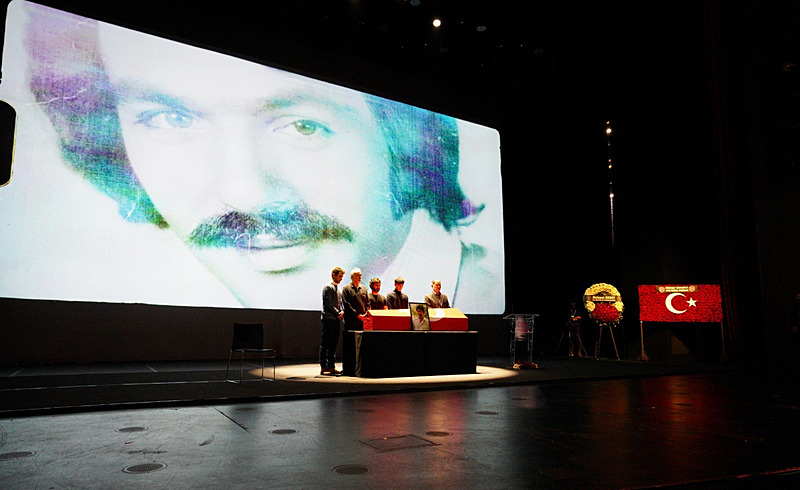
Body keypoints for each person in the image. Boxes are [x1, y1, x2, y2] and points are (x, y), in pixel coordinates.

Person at [5, 2, 504, 314]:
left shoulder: (485, 297)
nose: (245, 193)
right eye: (170, 119)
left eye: (304, 126)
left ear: (410, 145)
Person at [341, 268, 369, 375]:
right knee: (350, 347)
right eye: (357, 275)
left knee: (361, 347)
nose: (360, 277)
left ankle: (360, 369)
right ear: (352, 276)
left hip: (362, 322)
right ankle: (348, 369)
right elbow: (346, 304)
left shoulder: (364, 288)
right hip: (351, 322)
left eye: (360, 275)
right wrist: (357, 315)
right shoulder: (346, 288)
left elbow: (367, 303)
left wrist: (365, 315)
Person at [319, 266, 345, 376]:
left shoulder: (338, 289)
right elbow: (328, 303)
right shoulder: (328, 287)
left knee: (333, 344)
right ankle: (323, 366)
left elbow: (340, 303)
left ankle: (331, 366)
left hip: (336, 320)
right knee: (326, 343)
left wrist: (342, 311)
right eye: (340, 276)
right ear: (333, 275)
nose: (341, 278)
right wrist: (338, 312)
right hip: (329, 318)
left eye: (342, 277)